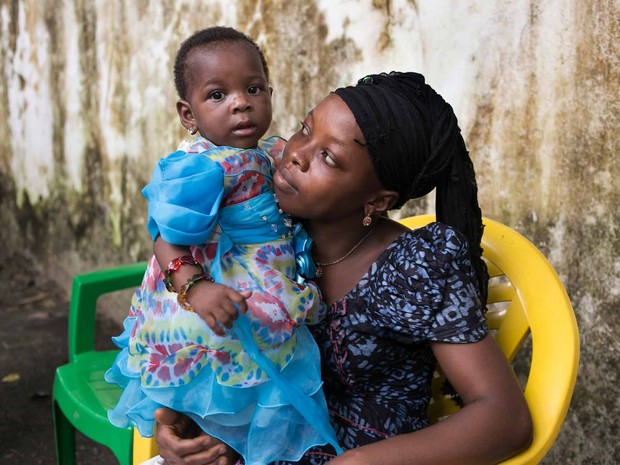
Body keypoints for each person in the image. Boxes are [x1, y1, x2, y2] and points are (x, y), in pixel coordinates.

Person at [153, 71, 533, 465]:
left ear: (377, 201)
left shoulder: (413, 268)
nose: (296, 153)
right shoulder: (264, 234)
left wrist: (358, 463)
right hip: (264, 446)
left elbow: (505, 419)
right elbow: (174, 247)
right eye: (305, 129)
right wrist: (189, 427)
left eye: (329, 157)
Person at [105, 26, 343, 465]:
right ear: (188, 114)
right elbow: (167, 237)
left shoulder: (269, 152)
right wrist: (196, 287)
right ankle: (199, 445)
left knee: (258, 385)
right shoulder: (197, 168)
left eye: (253, 88)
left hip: (264, 284)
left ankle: (237, 452)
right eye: (217, 95)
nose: (240, 102)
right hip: (216, 292)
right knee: (223, 378)